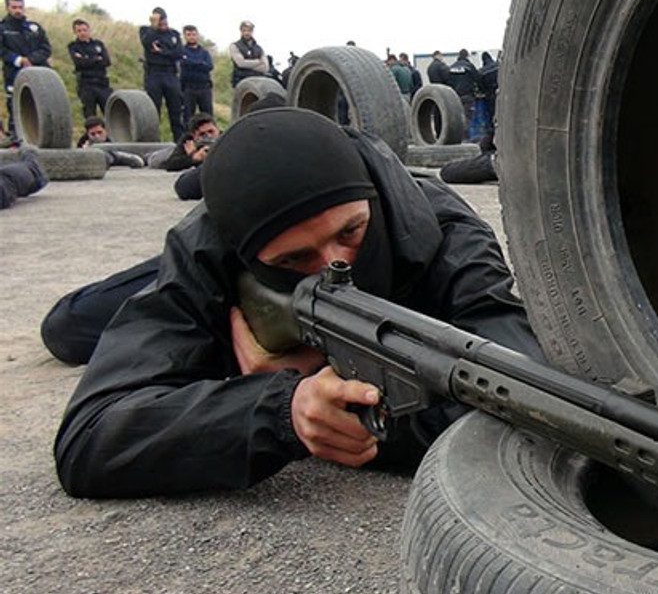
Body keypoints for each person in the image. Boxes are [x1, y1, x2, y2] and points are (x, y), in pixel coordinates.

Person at [52, 107, 544, 498]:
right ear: (245, 256)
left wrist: (330, 406)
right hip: (202, 274)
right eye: (294, 260)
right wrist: (279, 410)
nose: (335, 265)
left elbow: (520, 387)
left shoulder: (442, 229)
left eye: (351, 232)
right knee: (68, 328)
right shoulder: (204, 251)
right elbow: (90, 437)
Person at [1, 0, 51, 142]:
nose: (18, 10)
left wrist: (31, 60)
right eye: (14, 7)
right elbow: (2, 51)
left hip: (39, 73)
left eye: (20, 7)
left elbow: (46, 48)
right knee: (16, 108)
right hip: (14, 74)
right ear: (8, 8)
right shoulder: (3, 29)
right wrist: (19, 60)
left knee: (43, 106)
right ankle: (17, 139)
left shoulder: (34, 28)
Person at [139, 7, 185, 142]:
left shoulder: (174, 34)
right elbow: (147, 43)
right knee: (154, 109)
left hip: (170, 74)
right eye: (160, 22)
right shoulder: (146, 31)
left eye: (164, 21)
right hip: (154, 73)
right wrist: (153, 28)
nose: (163, 25)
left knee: (176, 109)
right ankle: (153, 141)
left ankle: (180, 140)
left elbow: (178, 54)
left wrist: (161, 51)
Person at [164, 112, 220, 200]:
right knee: (154, 159)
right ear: (194, 136)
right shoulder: (188, 141)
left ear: (217, 129)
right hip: (165, 154)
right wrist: (193, 158)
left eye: (211, 131)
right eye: (202, 134)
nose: (208, 136)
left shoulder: (225, 138)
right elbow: (170, 164)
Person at [67, 19, 112, 119]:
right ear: (75, 32)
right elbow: (79, 63)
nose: (82, 33)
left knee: (111, 112)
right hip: (86, 84)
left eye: (84, 30)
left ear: (89, 30)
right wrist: (96, 59)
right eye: (79, 31)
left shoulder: (98, 44)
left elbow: (106, 62)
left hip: (102, 83)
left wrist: (86, 58)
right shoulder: (73, 46)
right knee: (90, 115)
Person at [75, 117, 146, 168]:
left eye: (100, 132)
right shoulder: (83, 143)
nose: (97, 136)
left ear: (105, 130)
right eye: (93, 134)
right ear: (87, 134)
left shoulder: (113, 140)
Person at [179, 25, 214, 126]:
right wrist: (200, 64)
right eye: (189, 35)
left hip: (204, 87)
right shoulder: (182, 51)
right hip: (188, 88)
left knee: (207, 115)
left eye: (194, 34)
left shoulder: (204, 52)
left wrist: (191, 63)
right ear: (185, 36)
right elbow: (183, 63)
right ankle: (188, 138)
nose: (191, 37)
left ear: (197, 35)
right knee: (188, 116)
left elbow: (209, 66)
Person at [447, 49, 480, 128]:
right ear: (467, 56)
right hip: (467, 95)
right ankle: (466, 137)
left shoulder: (451, 67)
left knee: (458, 116)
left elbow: (448, 81)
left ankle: (459, 135)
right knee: (468, 116)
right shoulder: (469, 66)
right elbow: (478, 78)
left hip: (455, 96)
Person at [229, 20, 269, 86]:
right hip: (241, 81)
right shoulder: (235, 46)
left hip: (258, 81)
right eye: (244, 30)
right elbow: (241, 63)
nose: (246, 33)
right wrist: (258, 62)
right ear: (241, 31)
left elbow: (265, 67)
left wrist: (249, 65)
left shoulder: (259, 48)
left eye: (248, 30)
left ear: (252, 31)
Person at [473, 51, 499, 139]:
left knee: (492, 114)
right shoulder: (498, 66)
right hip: (500, 92)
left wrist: (485, 91)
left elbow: (480, 86)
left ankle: (494, 132)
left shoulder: (482, 71)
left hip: (490, 95)